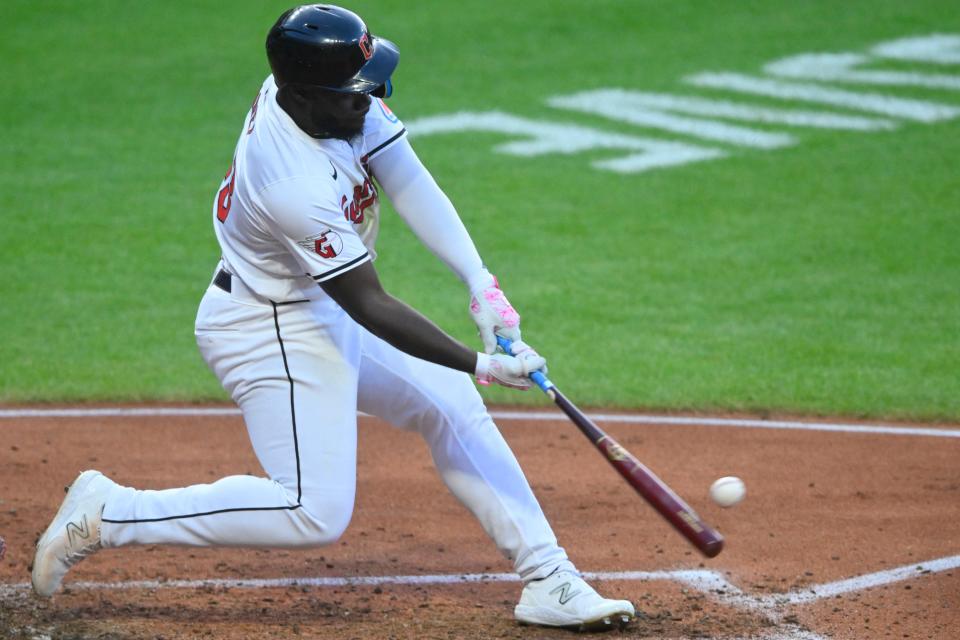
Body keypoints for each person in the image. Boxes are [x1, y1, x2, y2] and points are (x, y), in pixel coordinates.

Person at [31, 4, 635, 630]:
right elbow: (369, 304)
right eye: (357, 92)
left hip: (313, 304)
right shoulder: (290, 181)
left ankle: (549, 578)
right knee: (312, 510)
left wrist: (482, 285)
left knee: (451, 403)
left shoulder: (330, 101)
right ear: (302, 94)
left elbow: (408, 180)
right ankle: (109, 512)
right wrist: (484, 363)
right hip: (267, 327)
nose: (375, 99)